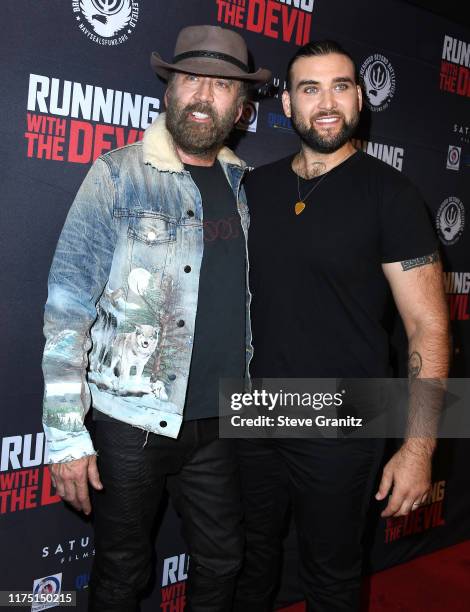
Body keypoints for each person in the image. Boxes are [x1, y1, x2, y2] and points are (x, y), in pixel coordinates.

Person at [41, 25, 270, 612]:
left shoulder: (245, 187)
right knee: (122, 572)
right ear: (168, 92)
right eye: (190, 78)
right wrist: (67, 435)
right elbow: (68, 307)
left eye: (219, 85)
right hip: (130, 422)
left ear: (241, 108)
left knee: (223, 560)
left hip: (220, 421)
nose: (201, 95)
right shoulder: (118, 174)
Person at [234, 40, 449, 611]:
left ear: (360, 97)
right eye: (310, 88)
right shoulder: (255, 188)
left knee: (330, 578)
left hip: (343, 412)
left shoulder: (393, 196)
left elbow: (428, 324)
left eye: (340, 86)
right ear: (287, 101)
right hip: (253, 409)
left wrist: (420, 446)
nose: (326, 102)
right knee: (250, 563)